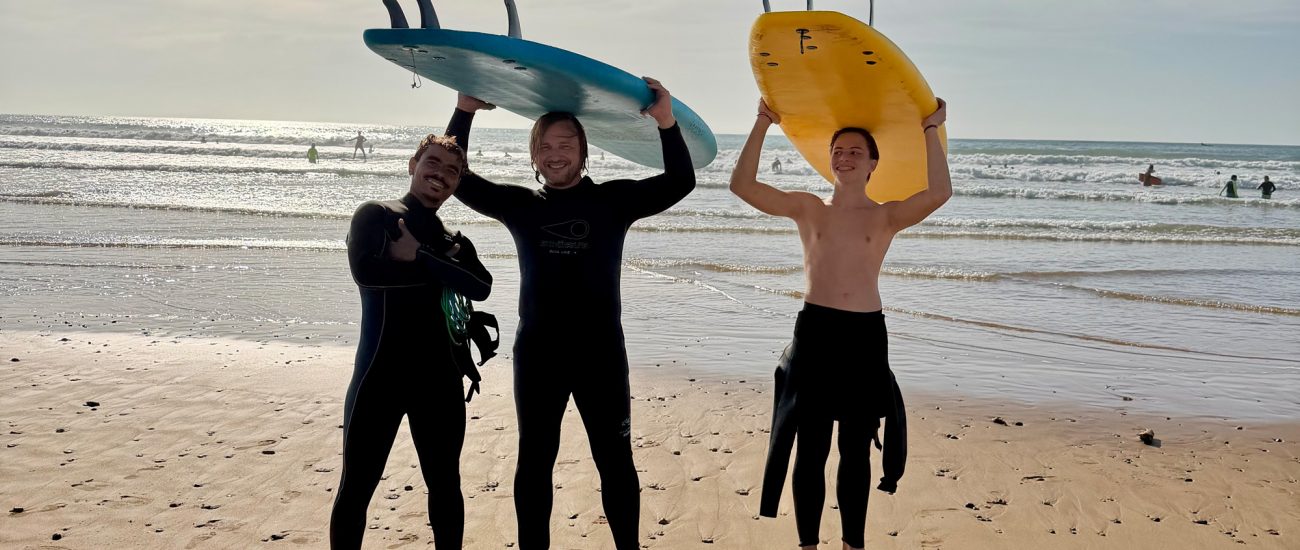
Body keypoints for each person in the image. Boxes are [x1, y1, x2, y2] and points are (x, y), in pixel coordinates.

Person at [446, 77, 694, 549]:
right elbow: (456, 175)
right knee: (535, 461)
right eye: (545, 145)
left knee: (615, 459)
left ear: (585, 151)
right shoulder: (520, 205)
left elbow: (681, 181)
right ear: (533, 155)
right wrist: (464, 111)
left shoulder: (613, 202)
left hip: (601, 356)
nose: (555, 153)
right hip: (539, 356)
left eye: (566, 144)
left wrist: (666, 122)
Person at [732, 98, 951, 550]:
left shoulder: (886, 215)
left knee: (854, 452)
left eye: (855, 152)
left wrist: (931, 128)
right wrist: (763, 121)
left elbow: (939, 193)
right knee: (810, 450)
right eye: (838, 150)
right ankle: (808, 545)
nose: (845, 157)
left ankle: (854, 544)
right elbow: (742, 185)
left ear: (873, 164)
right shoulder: (809, 208)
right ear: (827, 159)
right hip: (815, 335)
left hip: (864, 339)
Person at [330, 134, 499, 549]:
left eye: (452, 171)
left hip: (439, 382)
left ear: (458, 183)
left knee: (446, 486)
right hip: (378, 377)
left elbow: (482, 287)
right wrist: (442, 268)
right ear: (413, 164)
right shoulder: (377, 216)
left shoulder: (454, 241)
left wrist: (421, 256)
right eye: (433, 162)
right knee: (356, 488)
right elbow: (368, 274)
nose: (440, 174)